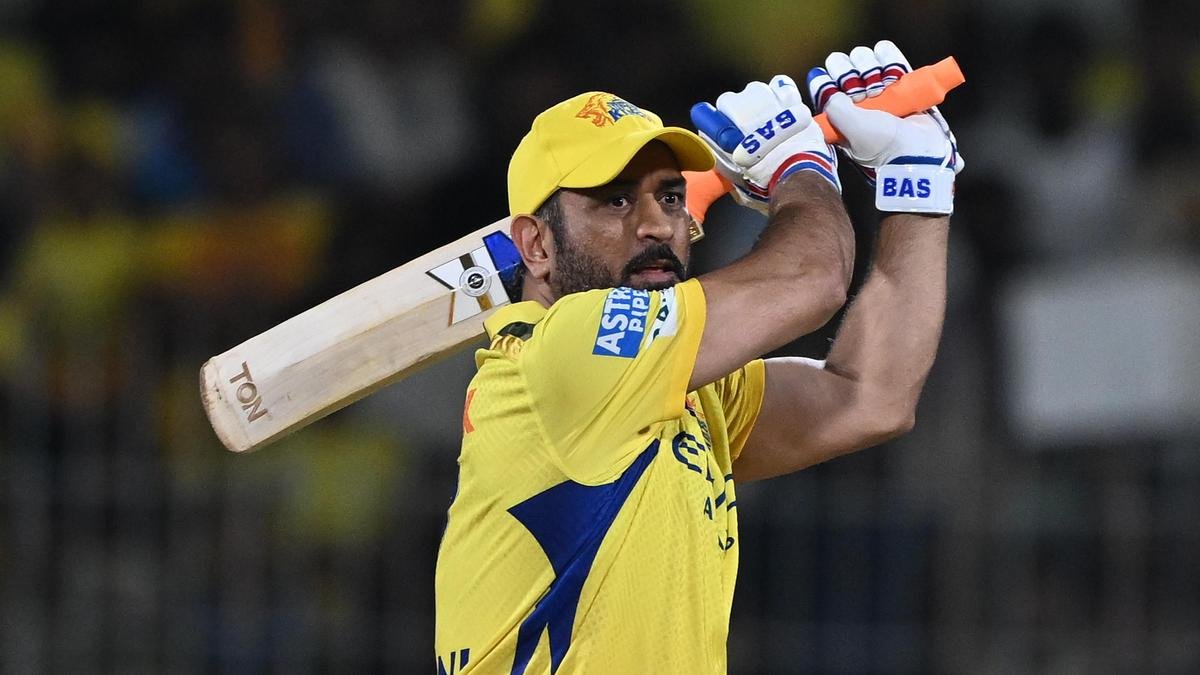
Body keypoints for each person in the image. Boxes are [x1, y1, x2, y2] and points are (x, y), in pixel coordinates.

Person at [435, 40, 961, 674]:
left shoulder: (679, 383)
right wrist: (798, 167)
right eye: (616, 201)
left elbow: (872, 396)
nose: (658, 226)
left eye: (669, 197)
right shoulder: (561, 353)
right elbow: (814, 279)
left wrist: (917, 190)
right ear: (536, 244)